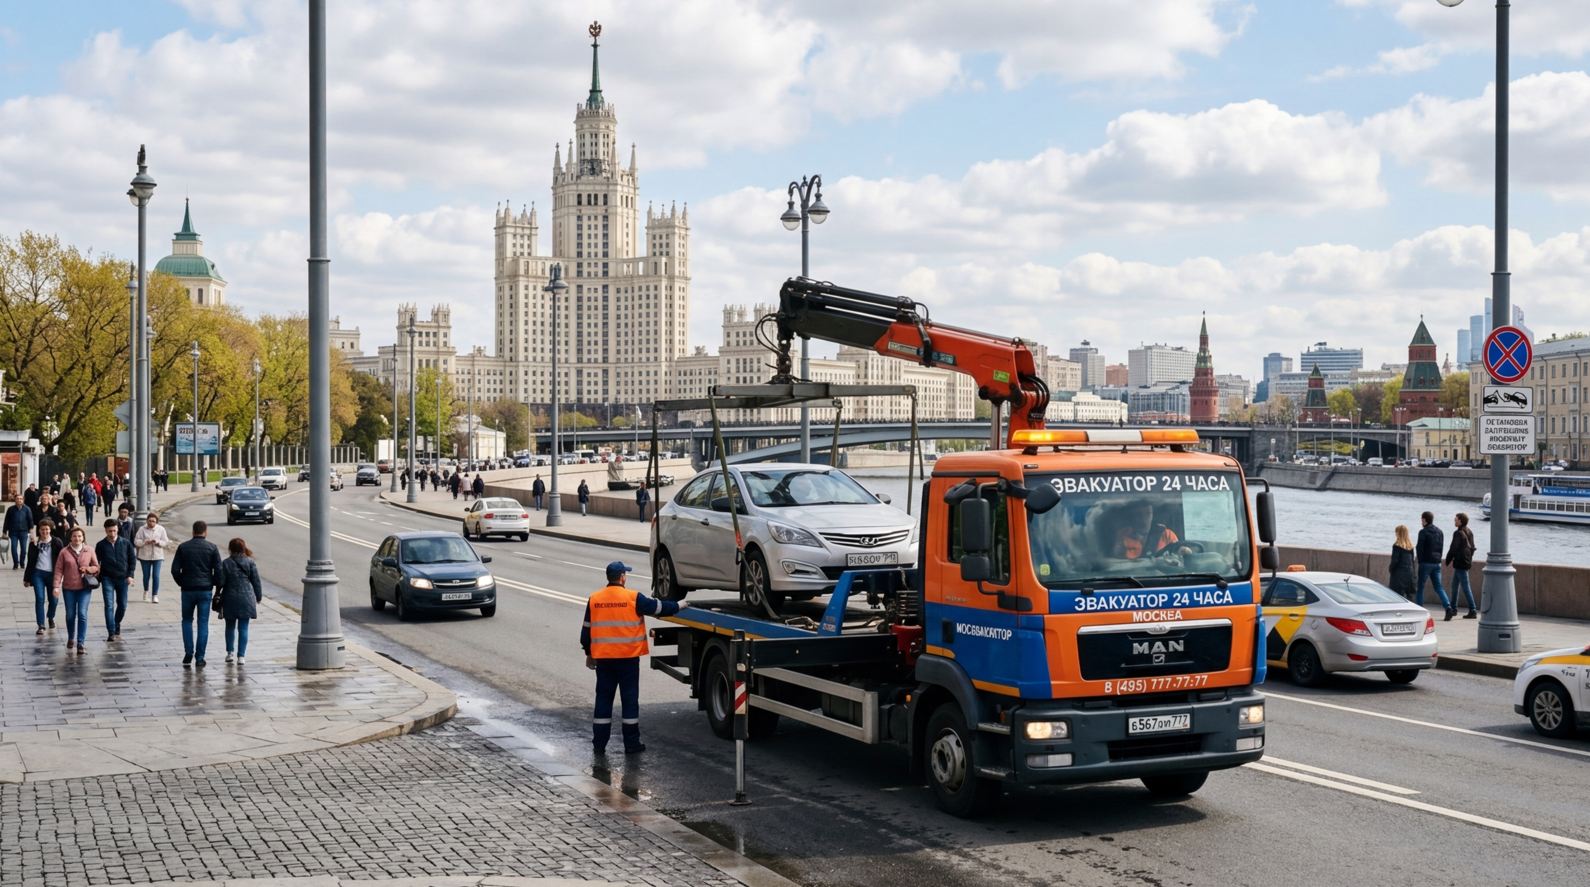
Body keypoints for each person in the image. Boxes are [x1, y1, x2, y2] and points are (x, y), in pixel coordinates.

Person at [581, 561, 686, 754]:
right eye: (625, 574)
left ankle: (599, 744)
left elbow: (586, 632)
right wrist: (679, 605)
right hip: (628, 660)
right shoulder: (633, 597)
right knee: (629, 701)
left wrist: (589, 654)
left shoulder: (595, 599)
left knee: (603, 701)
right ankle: (631, 744)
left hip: (604, 661)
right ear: (622, 577)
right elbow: (659, 607)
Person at [170, 520, 222, 667]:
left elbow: (175, 570)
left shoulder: (183, 547)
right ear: (205, 532)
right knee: (203, 623)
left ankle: (188, 652)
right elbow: (219, 571)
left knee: (186, 620)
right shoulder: (212, 548)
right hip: (205, 590)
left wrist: (182, 582)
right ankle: (200, 657)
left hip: (187, 590)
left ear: (193, 532)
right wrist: (214, 585)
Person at [53, 525, 99, 655]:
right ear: (70, 538)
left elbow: (96, 567)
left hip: (84, 588)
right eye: (74, 536)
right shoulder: (64, 552)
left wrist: (88, 569)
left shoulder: (89, 550)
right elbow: (58, 570)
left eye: (79, 536)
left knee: (82, 614)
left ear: (83, 537)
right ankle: (71, 637)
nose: (77, 538)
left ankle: (80, 643)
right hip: (69, 588)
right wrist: (56, 586)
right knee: (70, 615)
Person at [218, 537, 263, 665]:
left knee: (229, 627)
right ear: (243, 548)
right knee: (243, 628)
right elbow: (256, 581)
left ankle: (229, 653)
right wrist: (258, 596)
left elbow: (221, 582)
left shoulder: (226, 563)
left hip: (229, 598)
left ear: (230, 549)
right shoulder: (250, 562)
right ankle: (241, 656)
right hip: (246, 598)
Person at [96, 518, 136, 641]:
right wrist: (98, 576)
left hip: (123, 578)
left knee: (122, 605)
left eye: (114, 531)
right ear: (105, 531)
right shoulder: (101, 545)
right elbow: (96, 562)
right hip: (107, 578)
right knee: (109, 605)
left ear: (117, 529)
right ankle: (111, 631)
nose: (112, 534)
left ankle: (116, 622)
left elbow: (132, 560)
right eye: (110, 531)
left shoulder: (126, 543)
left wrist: (130, 575)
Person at [23, 520, 64, 636]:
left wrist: (62, 576)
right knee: (40, 598)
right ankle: (41, 625)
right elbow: (30, 561)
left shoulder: (57, 542)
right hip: (38, 574)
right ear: (39, 530)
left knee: (54, 600)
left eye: (47, 529)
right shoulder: (34, 543)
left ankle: (50, 617)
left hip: (53, 574)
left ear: (50, 530)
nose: (44, 532)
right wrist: (27, 578)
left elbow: (62, 560)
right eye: (42, 529)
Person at [1415, 511, 1454, 619]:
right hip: (1437, 563)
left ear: (1424, 520)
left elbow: (1419, 548)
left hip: (1425, 563)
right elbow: (1441, 547)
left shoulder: (1423, 532)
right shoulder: (1440, 531)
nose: (1421, 522)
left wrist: (1420, 561)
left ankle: (1420, 612)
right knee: (1439, 587)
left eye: (1421, 519)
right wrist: (1438, 559)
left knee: (1420, 587)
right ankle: (1448, 608)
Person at [1113, 500, 1182, 560]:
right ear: (1132, 517)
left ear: (1152, 515)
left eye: (1148, 513)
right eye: (1139, 514)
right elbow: (1116, 559)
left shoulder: (1167, 535)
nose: (1144, 519)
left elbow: (1178, 558)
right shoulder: (1124, 534)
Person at [1444, 512, 1478, 620]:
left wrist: (1447, 560)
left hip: (1460, 563)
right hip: (1465, 562)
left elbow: (1453, 548)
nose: (1454, 521)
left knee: (1465, 587)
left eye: (1456, 519)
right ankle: (1453, 608)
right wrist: (1468, 559)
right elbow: (1472, 548)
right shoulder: (1469, 531)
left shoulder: (1458, 533)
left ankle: (1473, 610)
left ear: (1460, 521)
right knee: (1454, 586)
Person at [134, 512, 171, 603]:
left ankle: (155, 595)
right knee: (146, 576)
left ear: (156, 522)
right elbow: (136, 541)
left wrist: (158, 542)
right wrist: (144, 542)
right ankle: (146, 590)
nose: (151, 523)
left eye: (153, 521)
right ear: (147, 521)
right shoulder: (142, 529)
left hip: (157, 556)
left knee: (156, 576)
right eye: (149, 521)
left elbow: (166, 542)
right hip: (145, 556)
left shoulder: (161, 529)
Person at [5, 492, 34, 568]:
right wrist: (4, 532)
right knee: (13, 548)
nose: (19, 500)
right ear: (15, 500)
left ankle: (22, 562)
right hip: (13, 532)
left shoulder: (27, 509)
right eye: (17, 499)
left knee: (24, 549)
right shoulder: (10, 509)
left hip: (24, 532)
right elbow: (6, 520)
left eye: (21, 499)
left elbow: (30, 520)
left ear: (23, 500)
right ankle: (15, 563)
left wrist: (31, 531)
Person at [1389, 525, 1416, 599]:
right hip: (1409, 574)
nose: (1395, 534)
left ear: (1399, 533)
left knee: (1397, 596)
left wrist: (1391, 569)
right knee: (1409, 597)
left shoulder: (1396, 546)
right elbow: (1412, 562)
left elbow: (1395, 561)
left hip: (1399, 575)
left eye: (1396, 532)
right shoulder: (1410, 547)